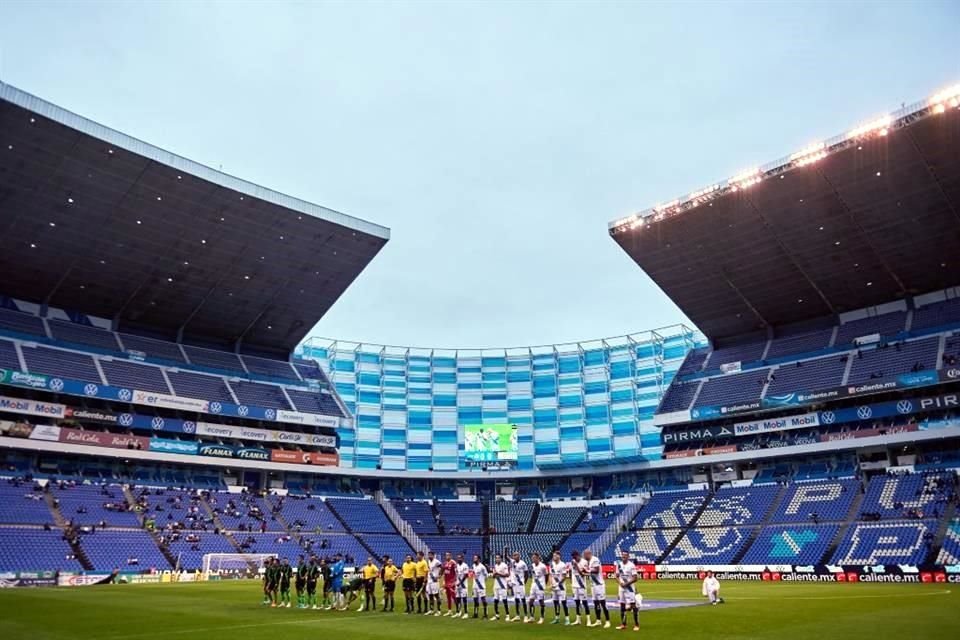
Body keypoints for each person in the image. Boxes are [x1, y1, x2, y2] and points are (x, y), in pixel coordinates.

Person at [583, 549, 610, 628]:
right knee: (596, 603)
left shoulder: (595, 559)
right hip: (593, 585)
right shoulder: (589, 562)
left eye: (585, 555)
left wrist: (587, 570)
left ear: (588, 554)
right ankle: (598, 620)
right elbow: (590, 572)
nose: (584, 557)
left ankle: (607, 621)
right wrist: (586, 571)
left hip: (599, 585)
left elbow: (596, 570)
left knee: (602, 603)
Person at [615, 551, 639, 631]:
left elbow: (635, 578)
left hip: (630, 588)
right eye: (622, 555)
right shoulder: (619, 564)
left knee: (633, 606)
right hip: (621, 588)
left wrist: (627, 583)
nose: (623, 557)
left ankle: (636, 625)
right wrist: (620, 583)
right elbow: (617, 576)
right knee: (622, 606)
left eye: (625, 555)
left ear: (628, 557)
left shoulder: (631, 565)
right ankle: (623, 624)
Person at [570, 550, 592, 626]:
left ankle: (588, 620)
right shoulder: (572, 561)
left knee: (585, 603)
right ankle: (578, 619)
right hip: (574, 585)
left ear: (578, 555)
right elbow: (571, 572)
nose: (574, 559)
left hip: (581, 585)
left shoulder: (584, 562)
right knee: (577, 603)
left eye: (575, 557)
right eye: (573, 557)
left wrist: (576, 566)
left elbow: (582, 574)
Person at [527, 553, 548, 624]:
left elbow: (546, 575)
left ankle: (542, 618)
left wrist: (544, 584)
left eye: (534, 558)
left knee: (541, 602)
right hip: (533, 585)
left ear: (538, 558)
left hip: (540, 586)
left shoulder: (543, 566)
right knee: (530, 601)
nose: (533, 559)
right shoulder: (532, 565)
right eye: (532, 558)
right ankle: (532, 617)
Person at [550, 551, 570, 625]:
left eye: (555, 556)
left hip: (561, 587)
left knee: (564, 603)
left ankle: (567, 619)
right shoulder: (552, 564)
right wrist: (551, 584)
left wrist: (557, 584)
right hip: (554, 587)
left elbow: (564, 577)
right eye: (553, 556)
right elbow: (550, 575)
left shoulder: (562, 565)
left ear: (559, 556)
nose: (553, 557)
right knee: (555, 603)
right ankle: (556, 618)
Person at [509, 552, 528, 622]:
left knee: (523, 599)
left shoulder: (523, 563)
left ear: (519, 556)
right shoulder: (513, 562)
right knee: (516, 599)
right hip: (515, 584)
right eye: (513, 555)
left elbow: (526, 574)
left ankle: (526, 615)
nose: (514, 556)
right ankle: (517, 615)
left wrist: (524, 582)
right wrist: (505, 550)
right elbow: (506, 557)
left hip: (520, 583)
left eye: (516, 555)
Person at [492, 553, 511, 621]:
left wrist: (498, 574)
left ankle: (507, 615)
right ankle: (497, 615)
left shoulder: (504, 565)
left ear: (501, 559)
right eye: (496, 558)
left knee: (504, 600)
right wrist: (494, 575)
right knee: (495, 600)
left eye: (498, 558)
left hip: (502, 585)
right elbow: (494, 576)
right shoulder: (495, 565)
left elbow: (507, 574)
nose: (497, 559)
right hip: (496, 585)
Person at [471, 554, 489, 619]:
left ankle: (485, 614)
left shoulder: (482, 567)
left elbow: (486, 575)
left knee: (483, 600)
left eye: (475, 558)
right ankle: (476, 613)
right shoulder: (473, 566)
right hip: (474, 586)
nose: (474, 559)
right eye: (474, 558)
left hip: (481, 586)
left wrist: (482, 582)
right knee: (475, 600)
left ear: (479, 559)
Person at [425, 551, 442, 616]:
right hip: (429, 581)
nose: (429, 556)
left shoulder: (436, 561)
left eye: (430, 555)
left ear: (433, 555)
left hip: (434, 581)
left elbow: (442, 568)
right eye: (428, 555)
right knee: (430, 595)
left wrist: (439, 576)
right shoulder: (428, 561)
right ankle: (431, 610)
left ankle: (439, 610)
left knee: (436, 595)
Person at [455, 553, 471, 618]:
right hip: (457, 584)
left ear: (462, 558)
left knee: (464, 599)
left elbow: (466, 575)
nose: (458, 559)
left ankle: (466, 613)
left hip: (463, 585)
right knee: (457, 599)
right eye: (458, 558)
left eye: (460, 558)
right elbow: (456, 575)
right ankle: (458, 611)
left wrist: (460, 582)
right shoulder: (456, 566)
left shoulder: (465, 566)